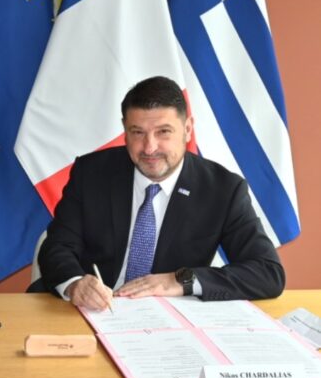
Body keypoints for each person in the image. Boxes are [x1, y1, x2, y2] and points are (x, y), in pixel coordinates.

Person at [30, 76, 284, 309]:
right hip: (89, 311)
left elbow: (267, 273)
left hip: (168, 318)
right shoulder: (92, 172)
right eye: (137, 132)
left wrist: (180, 280)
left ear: (187, 129)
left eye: (163, 132)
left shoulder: (223, 190)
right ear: (125, 131)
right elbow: (57, 246)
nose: (149, 148)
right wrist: (75, 284)